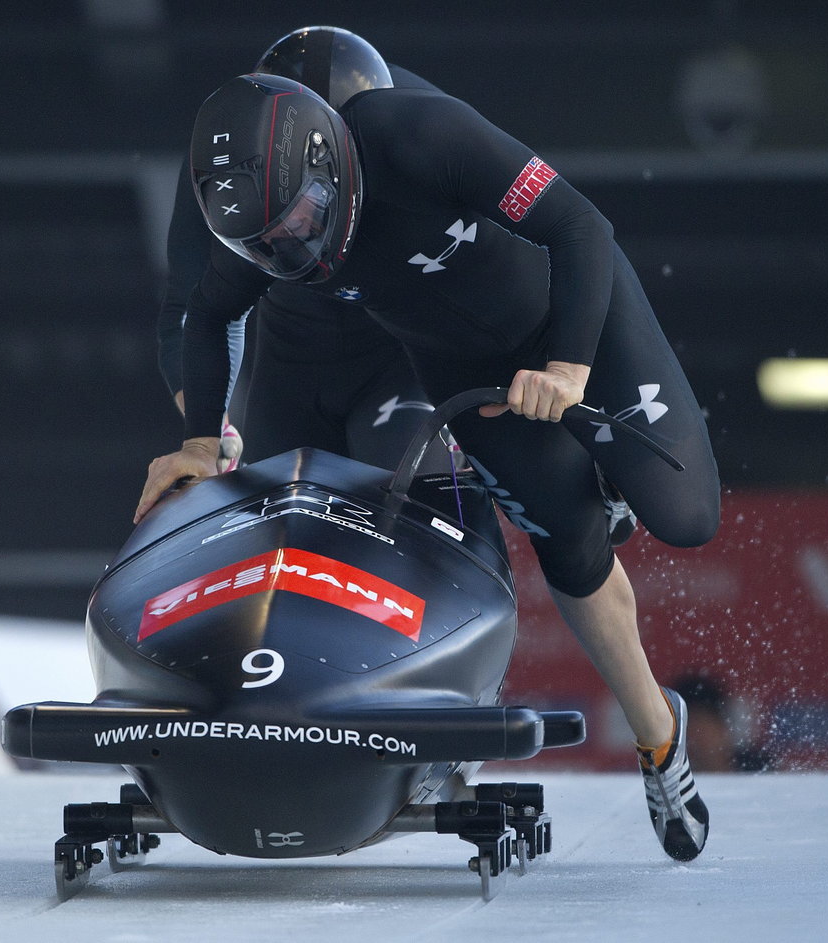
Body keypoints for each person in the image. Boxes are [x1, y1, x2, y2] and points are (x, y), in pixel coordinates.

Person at [138, 50, 722, 862]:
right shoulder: (250, 207)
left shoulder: (419, 134)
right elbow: (201, 316)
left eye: (304, 219)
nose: (294, 247)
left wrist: (567, 368)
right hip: (465, 371)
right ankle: (658, 735)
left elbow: (579, 227)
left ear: (332, 159)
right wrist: (202, 437)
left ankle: (606, 467)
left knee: (688, 516)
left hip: (570, 317)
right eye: (271, 244)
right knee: (572, 545)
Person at [155, 27, 453, 474]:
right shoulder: (225, 157)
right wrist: (209, 435)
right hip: (292, 363)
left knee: (406, 486)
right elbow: (190, 307)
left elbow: (502, 260)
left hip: (402, 355)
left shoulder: (426, 127)